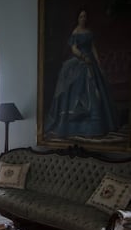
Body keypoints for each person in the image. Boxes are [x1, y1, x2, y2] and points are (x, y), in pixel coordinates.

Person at [44, 8, 119, 139]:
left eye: (85, 16)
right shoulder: (75, 32)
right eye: (81, 17)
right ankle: (75, 124)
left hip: (91, 61)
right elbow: (74, 49)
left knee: (96, 91)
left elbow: (93, 48)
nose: (83, 19)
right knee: (78, 90)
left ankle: (97, 126)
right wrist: (84, 58)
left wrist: (97, 62)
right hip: (80, 61)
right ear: (77, 18)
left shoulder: (89, 32)